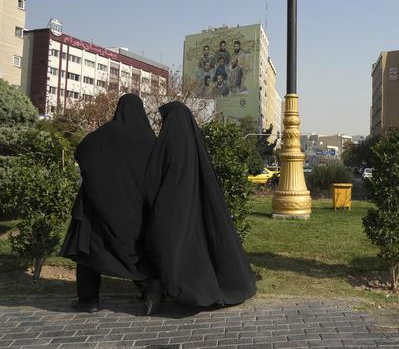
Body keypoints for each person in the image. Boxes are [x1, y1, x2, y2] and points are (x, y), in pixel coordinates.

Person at [142, 102, 256, 308]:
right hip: (197, 206)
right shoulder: (194, 142)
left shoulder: (166, 143)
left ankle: (173, 289)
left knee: (170, 248)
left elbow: (153, 178)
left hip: (171, 208)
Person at [60, 94, 161, 314]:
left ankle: (89, 301)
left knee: (88, 250)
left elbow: (82, 152)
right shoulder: (149, 140)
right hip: (134, 209)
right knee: (132, 250)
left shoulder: (104, 133)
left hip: (98, 205)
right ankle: (149, 288)